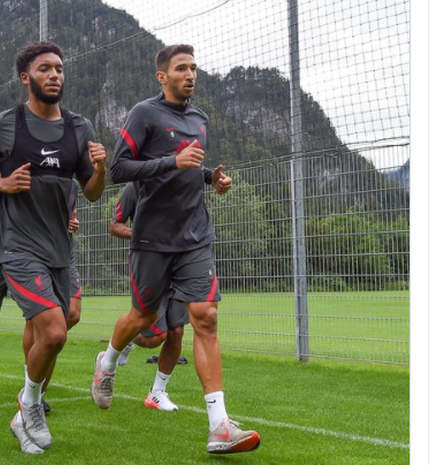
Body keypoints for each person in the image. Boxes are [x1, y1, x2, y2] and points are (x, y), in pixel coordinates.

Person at [90, 44, 260, 454]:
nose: (191, 74)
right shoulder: (144, 114)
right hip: (152, 238)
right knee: (143, 316)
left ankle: (219, 426)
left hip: (195, 235)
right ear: (162, 76)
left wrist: (210, 178)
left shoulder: (200, 118)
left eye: (194, 68)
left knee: (206, 316)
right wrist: (173, 162)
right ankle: (107, 363)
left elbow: (191, 165)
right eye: (181, 68)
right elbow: (119, 170)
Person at [0, 41, 107, 455]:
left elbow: (92, 194)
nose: (55, 75)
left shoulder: (80, 128)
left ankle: (27, 408)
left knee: (58, 328)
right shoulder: (3, 125)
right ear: (26, 78)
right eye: (45, 69)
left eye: (59, 68)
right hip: (16, 246)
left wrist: (100, 168)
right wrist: (1, 183)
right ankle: (29, 405)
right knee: (55, 331)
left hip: (60, 248)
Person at [0, 169, 82, 418]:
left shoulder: (53, 179)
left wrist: (70, 221)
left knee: (44, 321)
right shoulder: (1, 174)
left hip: (31, 258)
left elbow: (65, 213)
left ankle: (33, 392)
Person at [109, 182, 189, 412]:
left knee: (177, 330)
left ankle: (157, 393)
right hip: (149, 264)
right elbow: (115, 226)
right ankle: (125, 340)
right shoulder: (134, 187)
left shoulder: (183, 182)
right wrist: (143, 235)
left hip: (182, 262)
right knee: (154, 337)